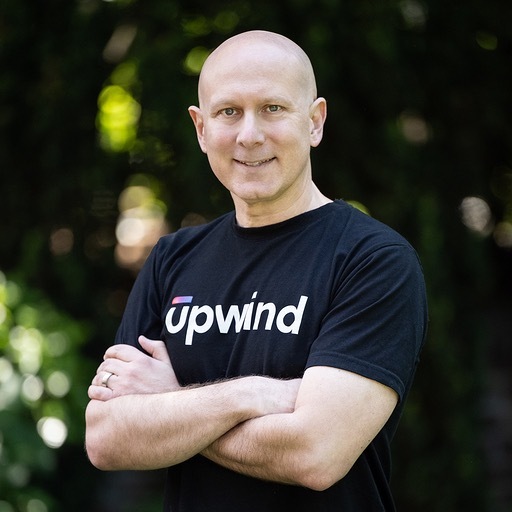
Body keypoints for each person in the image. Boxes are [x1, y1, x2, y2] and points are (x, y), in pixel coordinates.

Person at [85, 30, 428, 512]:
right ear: (201, 129)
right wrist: (256, 394)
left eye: (272, 108)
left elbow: (315, 453)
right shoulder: (171, 259)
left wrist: (171, 400)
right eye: (229, 112)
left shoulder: (373, 260)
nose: (249, 134)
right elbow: (106, 438)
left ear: (315, 121)